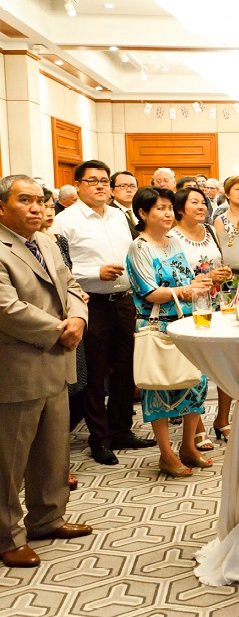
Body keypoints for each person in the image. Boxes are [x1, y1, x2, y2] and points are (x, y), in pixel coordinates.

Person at [0, 175, 92, 568]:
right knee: (10, 460)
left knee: (53, 451)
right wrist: (61, 330)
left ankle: (47, 518)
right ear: (2, 206)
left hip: (58, 359)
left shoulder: (46, 241)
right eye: (25, 200)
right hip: (19, 365)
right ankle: (7, 536)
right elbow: (6, 309)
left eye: (40, 200)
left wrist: (79, 320)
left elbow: (72, 286)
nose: (37, 208)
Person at [53, 160, 154, 465]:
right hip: (89, 303)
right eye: (93, 180)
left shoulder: (118, 216)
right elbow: (60, 268)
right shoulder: (65, 221)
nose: (100, 186)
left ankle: (121, 429)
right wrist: (95, 272)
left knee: (126, 369)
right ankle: (100, 439)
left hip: (123, 301)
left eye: (105, 181)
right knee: (95, 374)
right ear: (79, 184)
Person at [126, 187, 212, 477]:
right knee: (159, 387)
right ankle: (166, 454)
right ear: (143, 213)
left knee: (195, 383)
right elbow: (149, 292)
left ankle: (189, 446)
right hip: (156, 325)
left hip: (185, 323)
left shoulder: (173, 242)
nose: (166, 213)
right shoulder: (139, 247)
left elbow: (184, 278)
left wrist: (201, 282)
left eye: (168, 208)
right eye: (159, 208)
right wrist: (187, 290)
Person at [170, 186, 233, 446]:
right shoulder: (173, 236)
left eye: (203, 203)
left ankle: (223, 418)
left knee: (226, 365)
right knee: (196, 370)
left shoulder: (209, 231)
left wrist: (223, 273)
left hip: (217, 302)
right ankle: (197, 427)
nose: (201, 207)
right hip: (191, 307)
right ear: (180, 208)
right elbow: (175, 276)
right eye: (194, 202)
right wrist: (206, 278)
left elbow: (217, 262)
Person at [41, 192, 89, 483]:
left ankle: (57, 463)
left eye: (47, 206)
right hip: (42, 331)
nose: (44, 212)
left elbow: (68, 279)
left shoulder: (55, 241)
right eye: (34, 204)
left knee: (72, 393)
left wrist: (78, 311)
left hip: (71, 325)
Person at [212, 176, 239, 272]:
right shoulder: (221, 220)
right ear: (227, 194)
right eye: (236, 189)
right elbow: (222, 250)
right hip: (231, 271)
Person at [109, 171, 140, 238]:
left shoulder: (141, 212)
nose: (129, 190)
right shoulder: (108, 213)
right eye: (123, 186)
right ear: (111, 191)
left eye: (133, 186)